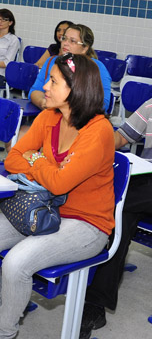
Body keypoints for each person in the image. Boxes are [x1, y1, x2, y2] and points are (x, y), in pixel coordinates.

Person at [0, 53, 115, 339]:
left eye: (54, 81)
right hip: (42, 208)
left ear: (76, 90)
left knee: (16, 262)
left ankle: (4, 332)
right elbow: (12, 159)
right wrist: (43, 164)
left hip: (86, 223)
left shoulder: (99, 131)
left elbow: (59, 183)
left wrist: (36, 160)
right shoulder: (49, 116)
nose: (44, 87)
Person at [79, 98, 152, 339]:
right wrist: (95, 145)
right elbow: (123, 137)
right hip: (147, 183)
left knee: (118, 201)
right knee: (121, 215)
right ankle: (95, 304)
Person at [29, 23, 111, 112]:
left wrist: (65, 108)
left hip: (81, 121)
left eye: (72, 41)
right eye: (64, 38)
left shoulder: (96, 67)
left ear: (85, 48)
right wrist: (43, 103)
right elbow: (34, 91)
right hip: (49, 115)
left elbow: (103, 104)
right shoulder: (51, 61)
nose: (65, 43)